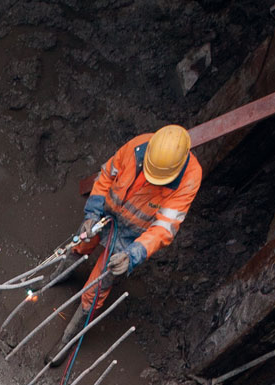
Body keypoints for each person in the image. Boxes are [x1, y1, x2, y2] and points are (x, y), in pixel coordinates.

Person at [74, 124, 200, 314]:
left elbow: (163, 229)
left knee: (98, 285)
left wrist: (131, 255)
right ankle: (63, 274)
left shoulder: (188, 180)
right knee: (81, 243)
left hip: (131, 234)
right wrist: (92, 213)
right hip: (105, 212)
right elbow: (106, 176)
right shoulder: (138, 146)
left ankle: (77, 325)